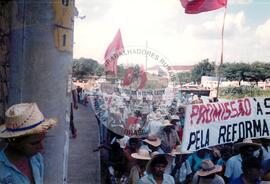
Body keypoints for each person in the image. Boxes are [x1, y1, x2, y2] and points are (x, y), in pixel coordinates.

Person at [0, 103, 57, 184]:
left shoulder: (37, 158)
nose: (41, 147)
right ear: (13, 141)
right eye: (34, 143)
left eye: (42, 140)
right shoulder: (2, 171)